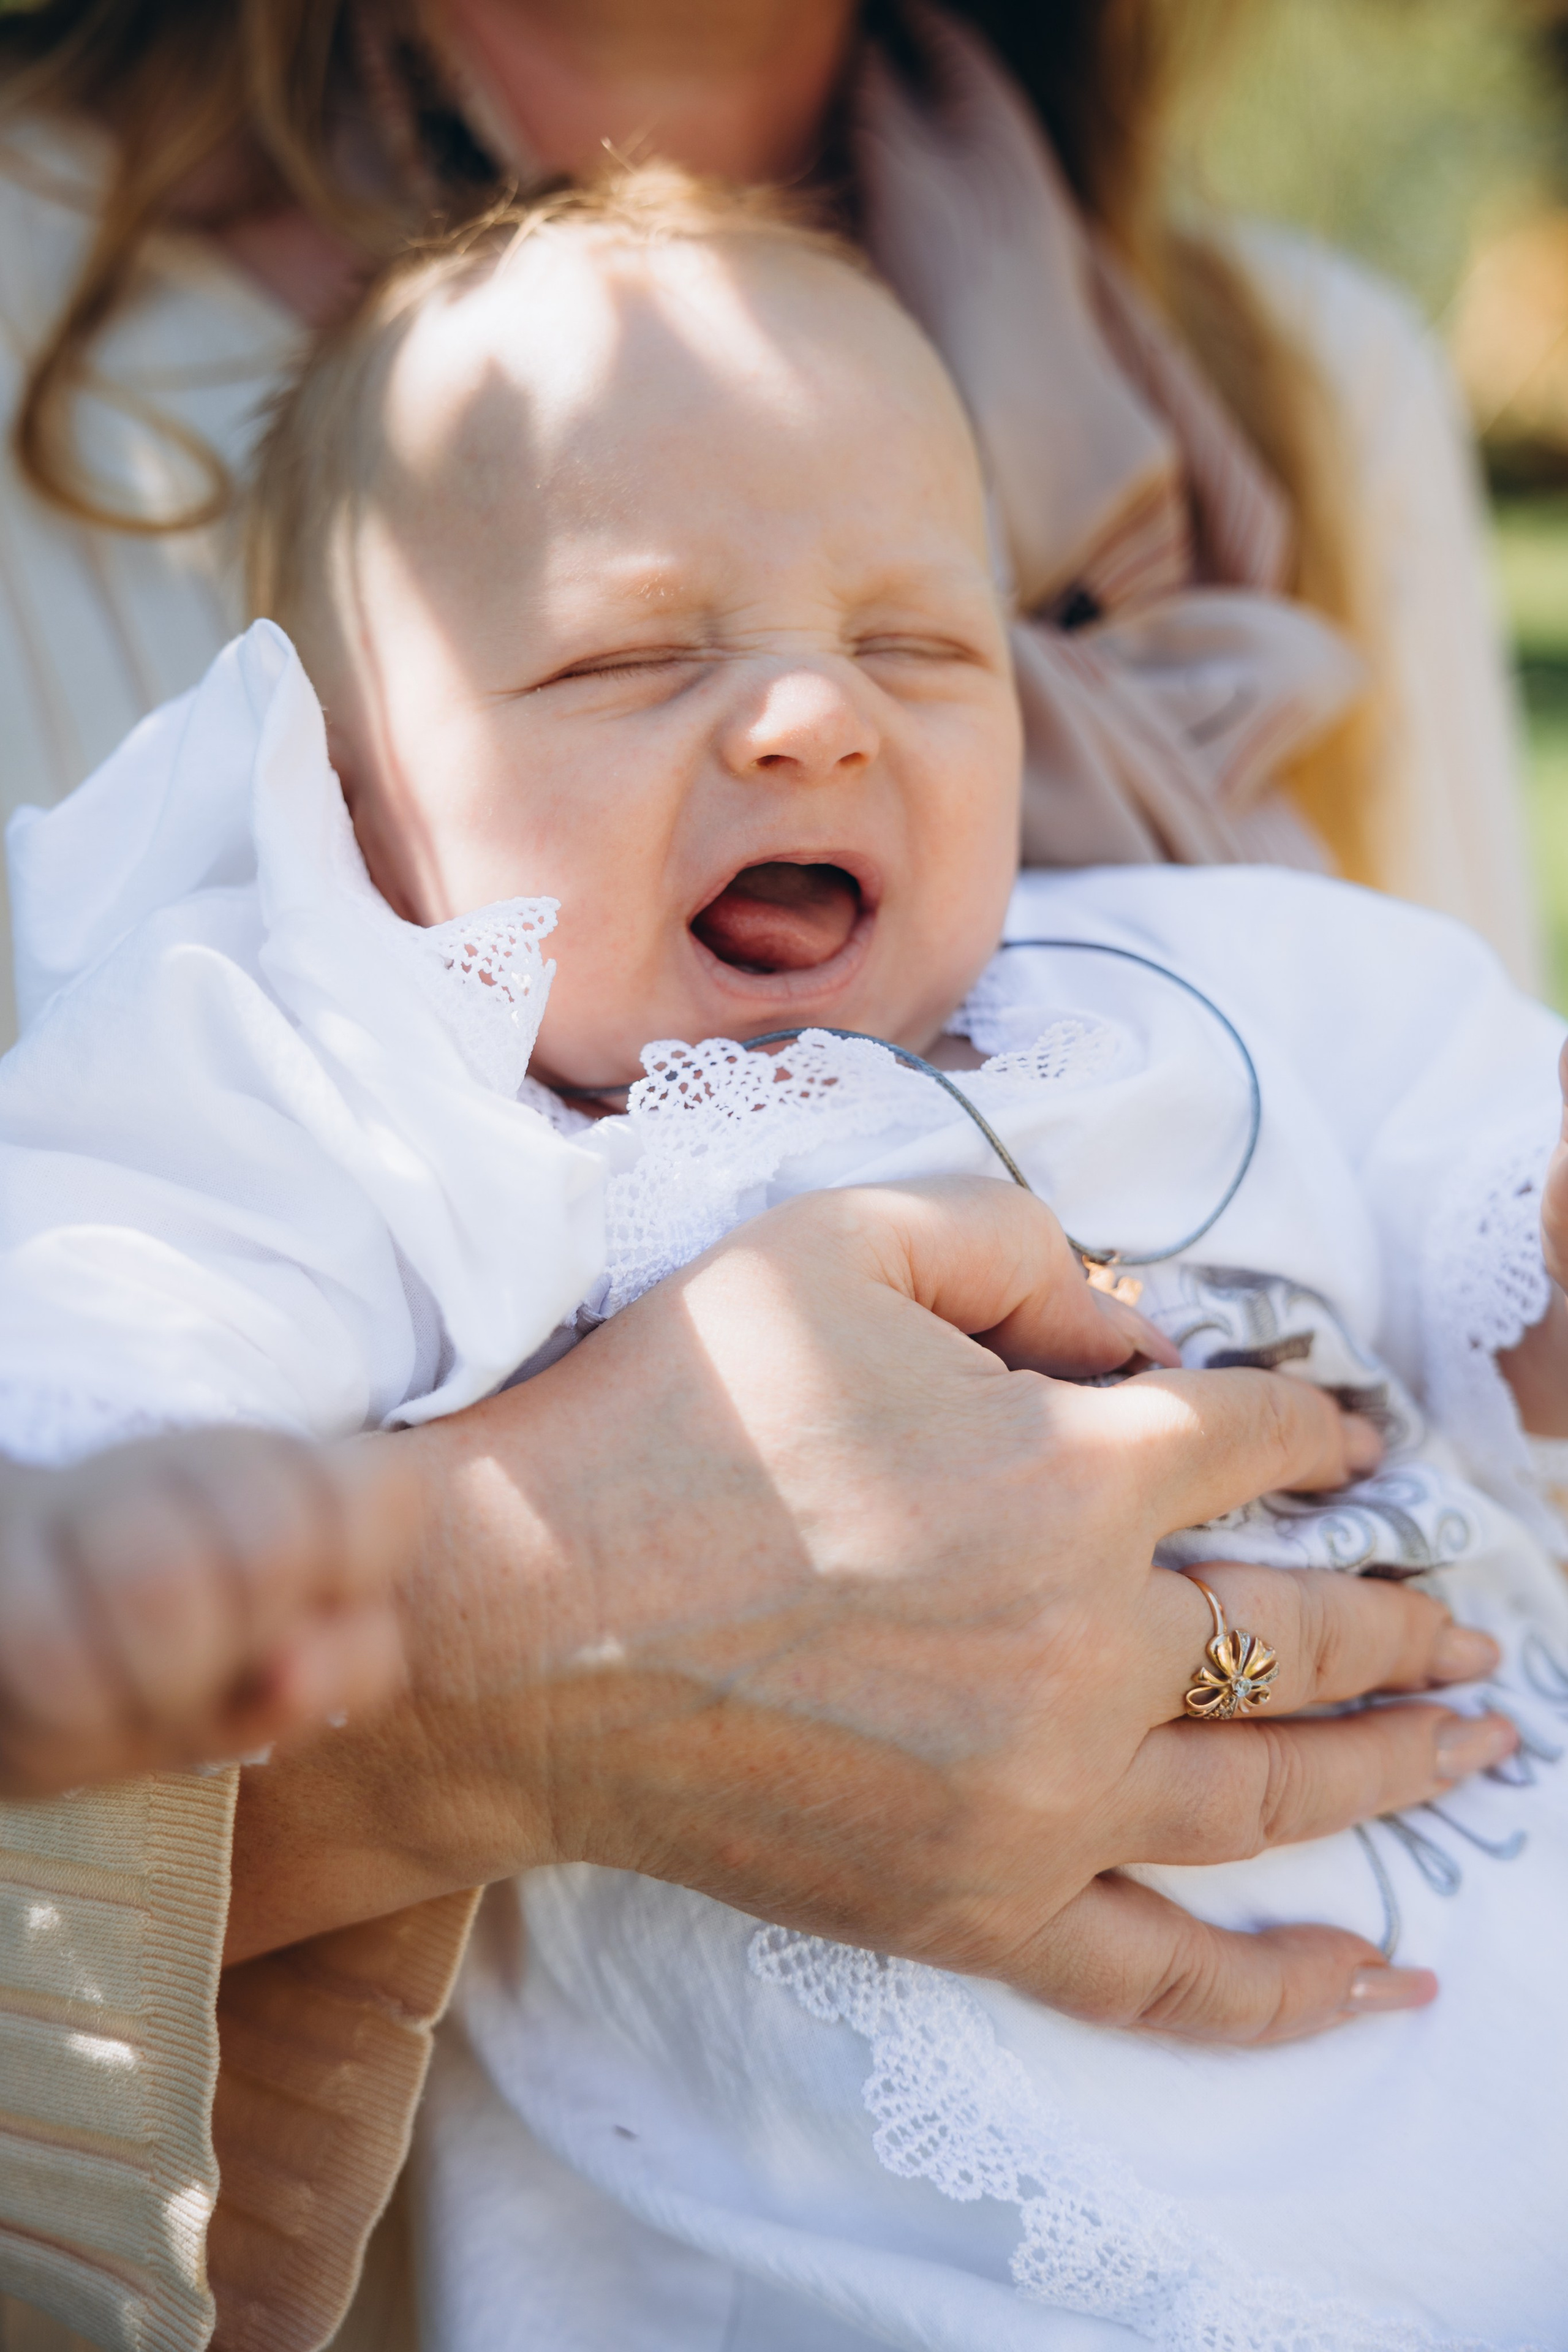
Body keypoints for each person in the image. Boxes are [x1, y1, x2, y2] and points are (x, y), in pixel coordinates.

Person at [0, 6, 1540, 2347]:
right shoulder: (378, 1100)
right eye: (634, 656)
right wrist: (336, 1596)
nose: (815, 716)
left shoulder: (1181, 979)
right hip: (863, 2262)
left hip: (1464, 2106)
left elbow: (1475, 1170)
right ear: (337, 800)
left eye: (926, 643)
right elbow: (115, 1343)